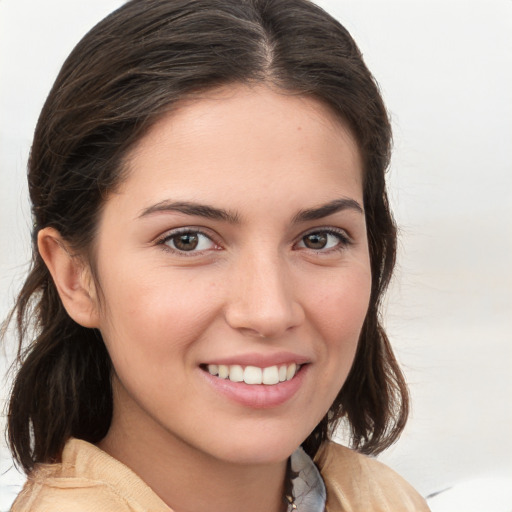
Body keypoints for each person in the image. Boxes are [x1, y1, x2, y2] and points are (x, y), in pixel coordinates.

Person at [4, 0, 430, 510]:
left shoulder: (383, 499)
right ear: (75, 277)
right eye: (188, 240)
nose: (269, 311)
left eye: (319, 239)